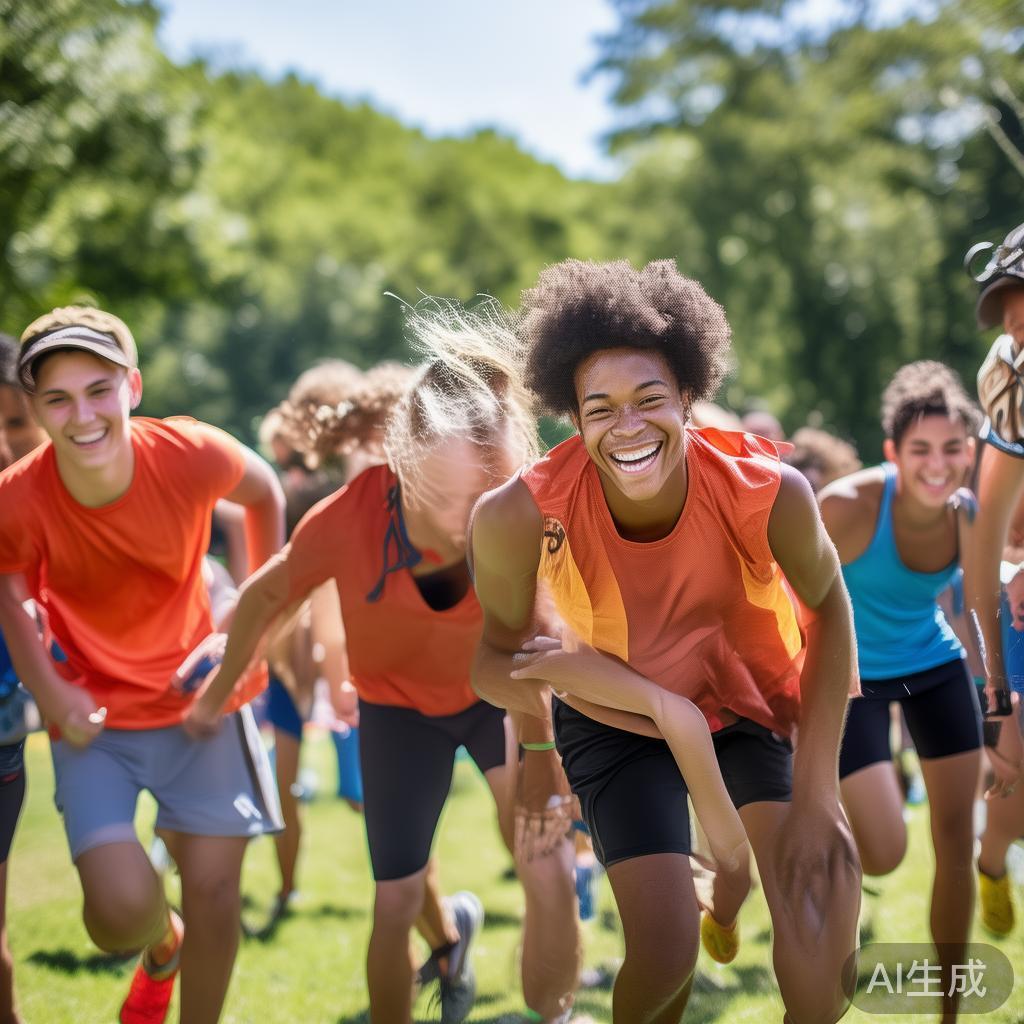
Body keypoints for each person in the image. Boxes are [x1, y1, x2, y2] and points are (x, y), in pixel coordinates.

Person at [471, 258, 861, 1024]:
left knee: (821, 931)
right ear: (572, 418)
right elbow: (493, 658)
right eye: (600, 408)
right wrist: (539, 752)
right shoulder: (516, 514)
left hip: (754, 706)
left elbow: (832, 614)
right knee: (665, 955)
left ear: (688, 395)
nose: (628, 426)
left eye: (650, 399)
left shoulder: (771, 490)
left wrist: (817, 797)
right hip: (619, 725)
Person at [184, 301, 583, 1024]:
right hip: (397, 711)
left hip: (499, 700)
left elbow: (529, 649)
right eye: (445, 497)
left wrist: (544, 761)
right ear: (400, 466)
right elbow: (265, 593)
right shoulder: (347, 519)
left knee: (546, 862)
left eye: (482, 497)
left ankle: (554, 1014)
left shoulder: (515, 517)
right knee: (395, 900)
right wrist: (215, 694)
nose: (468, 520)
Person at [0, 306, 286, 1024]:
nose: (82, 415)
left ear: (132, 386)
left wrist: (241, 626)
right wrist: (49, 687)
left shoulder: (190, 453)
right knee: (117, 917)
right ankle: (162, 945)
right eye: (57, 399)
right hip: (96, 727)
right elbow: (5, 584)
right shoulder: (19, 500)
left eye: (98, 390)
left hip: (202, 707)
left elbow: (265, 494)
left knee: (217, 893)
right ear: (34, 409)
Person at [819, 361, 982, 1022]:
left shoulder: (972, 510)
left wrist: (997, 702)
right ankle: (821, 873)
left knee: (954, 839)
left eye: (952, 449)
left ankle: (949, 1010)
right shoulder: (848, 506)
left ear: (969, 451)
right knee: (884, 854)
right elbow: (783, 601)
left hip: (933, 665)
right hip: (853, 679)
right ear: (894, 452)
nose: (938, 465)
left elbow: (970, 606)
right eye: (921, 449)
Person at [960, 221, 1024, 936]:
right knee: (1016, 771)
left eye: (1021, 300)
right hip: (1015, 588)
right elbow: (989, 542)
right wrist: (994, 690)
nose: (1012, 323)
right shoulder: (1013, 376)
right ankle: (992, 856)